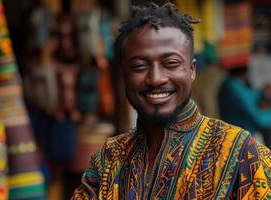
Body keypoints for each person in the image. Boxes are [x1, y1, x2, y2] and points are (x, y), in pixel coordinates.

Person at [72, 2, 271, 199]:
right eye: (140, 66)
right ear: (125, 74)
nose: (156, 78)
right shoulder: (108, 159)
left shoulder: (240, 151)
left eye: (171, 63)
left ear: (192, 70)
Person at [218, 66, 271, 148]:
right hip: (241, 140)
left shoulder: (233, 84)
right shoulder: (233, 88)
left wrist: (263, 94)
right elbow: (259, 119)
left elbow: (251, 95)